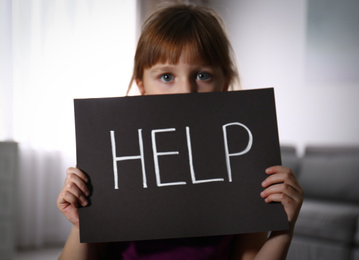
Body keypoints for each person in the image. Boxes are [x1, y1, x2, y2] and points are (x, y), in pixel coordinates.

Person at [57, 3, 303, 259]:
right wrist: (82, 224)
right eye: (166, 77)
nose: (186, 91)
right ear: (142, 85)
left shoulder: (243, 170)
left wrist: (283, 229)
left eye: (202, 76)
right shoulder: (116, 161)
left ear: (225, 83)